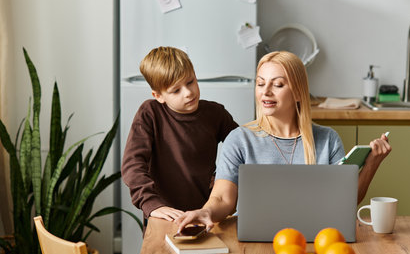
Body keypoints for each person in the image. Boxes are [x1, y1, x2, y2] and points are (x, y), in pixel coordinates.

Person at [175, 51, 391, 232]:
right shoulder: (240, 140)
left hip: (315, 239)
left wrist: (372, 163)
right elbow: (222, 199)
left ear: (298, 92)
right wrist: (206, 211)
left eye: (277, 84)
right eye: (260, 84)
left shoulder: (328, 140)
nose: (265, 92)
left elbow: (344, 201)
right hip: (253, 241)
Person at [121, 46, 238, 224]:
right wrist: (152, 204)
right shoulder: (149, 113)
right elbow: (133, 165)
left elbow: (242, 148)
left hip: (205, 213)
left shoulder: (216, 113)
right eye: (176, 90)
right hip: (164, 215)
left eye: (190, 82)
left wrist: (222, 176)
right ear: (158, 95)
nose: (188, 92)